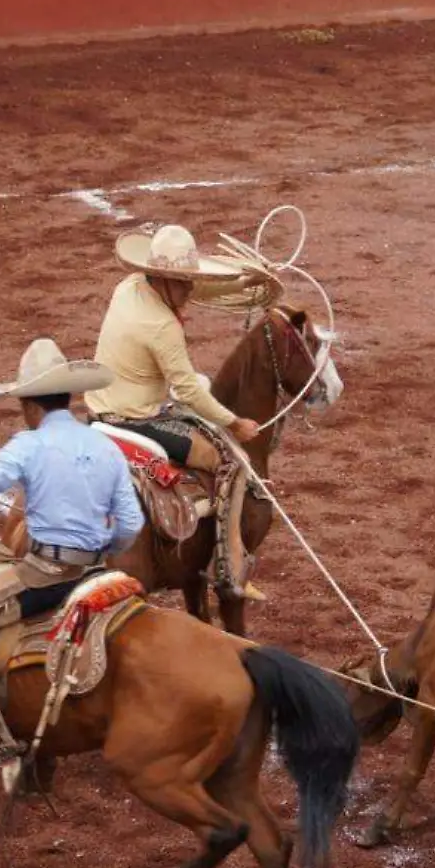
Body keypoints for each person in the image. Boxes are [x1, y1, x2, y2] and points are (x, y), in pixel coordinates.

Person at [0, 338, 144, 782]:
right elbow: (131, 523)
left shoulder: (28, 445)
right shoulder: (104, 446)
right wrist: (104, 551)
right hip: (98, 568)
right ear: (67, 396)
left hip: (45, 573)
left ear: (28, 404)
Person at [86, 223, 271, 593]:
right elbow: (188, 391)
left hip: (99, 408)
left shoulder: (129, 287)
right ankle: (229, 561)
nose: (189, 289)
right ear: (165, 278)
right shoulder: (161, 327)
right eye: (183, 281)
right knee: (227, 462)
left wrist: (241, 283)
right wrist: (234, 423)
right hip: (137, 419)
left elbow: (200, 290)